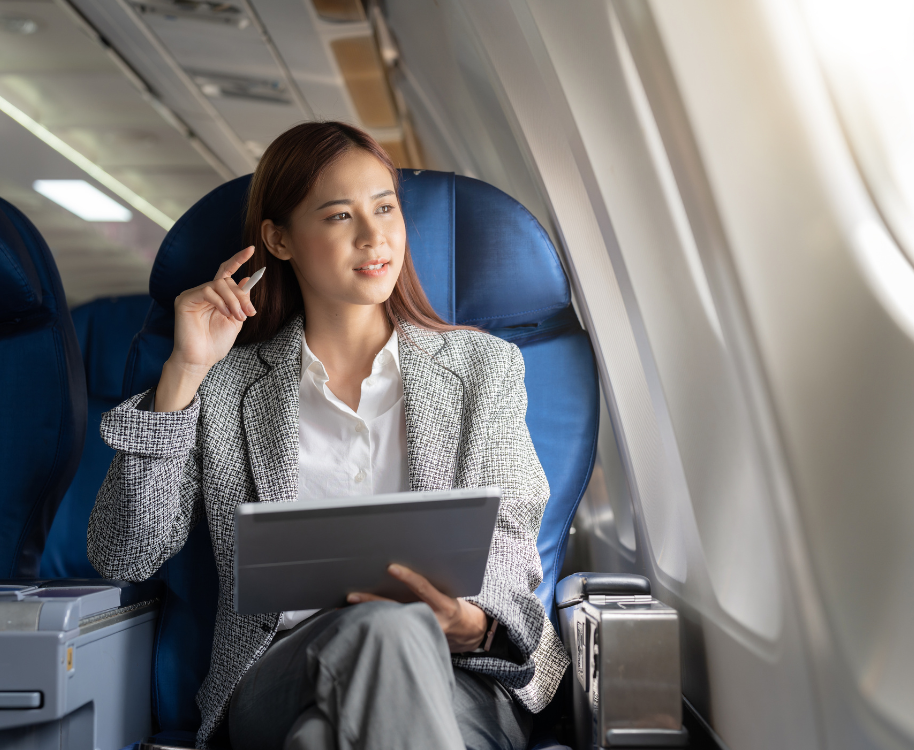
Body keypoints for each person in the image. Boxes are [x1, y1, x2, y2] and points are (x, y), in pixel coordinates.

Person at [88, 121, 568, 750]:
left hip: (454, 677)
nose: (375, 238)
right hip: (281, 671)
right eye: (341, 216)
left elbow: (507, 543)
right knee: (380, 631)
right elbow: (126, 553)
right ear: (279, 240)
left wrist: (471, 625)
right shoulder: (228, 385)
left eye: (386, 209)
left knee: (319, 738)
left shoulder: (483, 369)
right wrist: (185, 372)